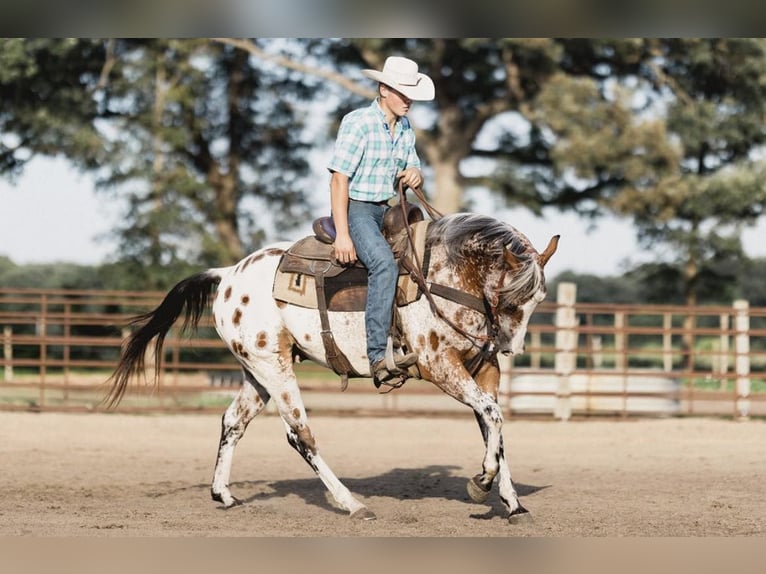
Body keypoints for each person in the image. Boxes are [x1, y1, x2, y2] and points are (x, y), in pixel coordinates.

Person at [326, 55, 435, 387]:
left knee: (425, 259)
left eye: (411, 94)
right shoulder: (358, 122)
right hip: (358, 208)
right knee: (384, 265)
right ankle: (377, 356)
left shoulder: (404, 128)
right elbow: (338, 180)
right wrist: (343, 234)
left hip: (389, 210)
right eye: (403, 93)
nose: (408, 100)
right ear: (384, 89)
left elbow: (412, 167)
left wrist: (416, 173)